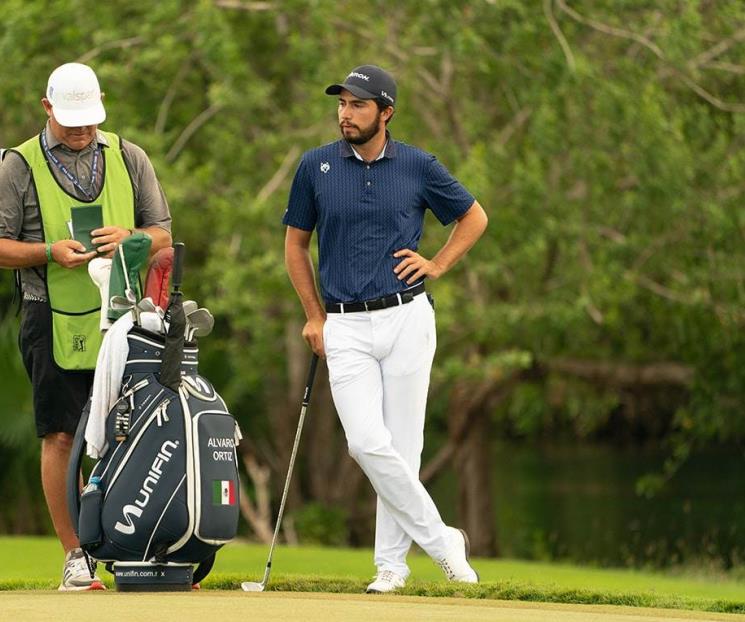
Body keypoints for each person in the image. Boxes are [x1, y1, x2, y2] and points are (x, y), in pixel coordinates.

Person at [283, 64, 488, 593]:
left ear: (386, 112)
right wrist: (312, 314)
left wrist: (437, 263)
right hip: (344, 324)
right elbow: (295, 245)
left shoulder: (418, 165)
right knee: (366, 444)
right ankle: (445, 543)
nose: (345, 114)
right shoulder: (316, 166)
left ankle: (391, 567)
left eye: (357, 105)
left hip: (407, 317)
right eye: (342, 104)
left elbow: (473, 218)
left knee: (405, 446)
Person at [0, 62, 172, 590]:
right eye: (71, 121)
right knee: (61, 436)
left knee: (135, 433)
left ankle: (135, 545)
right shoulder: (17, 165)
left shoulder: (128, 156)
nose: (81, 132)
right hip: (48, 316)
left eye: (89, 121)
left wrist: (134, 239)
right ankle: (76, 555)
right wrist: (48, 252)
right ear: (47, 108)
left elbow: (163, 234)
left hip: (127, 317)